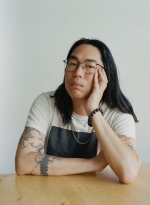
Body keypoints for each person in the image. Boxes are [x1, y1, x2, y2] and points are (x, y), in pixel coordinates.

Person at [15, 38, 141, 183]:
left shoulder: (118, 114)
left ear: (104, 75)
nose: (78, 73)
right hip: (52, 193)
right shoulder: (46, 103)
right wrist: (94, 164)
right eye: (73, 64)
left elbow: (129, 173)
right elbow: (23, 163)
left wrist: (93, 110)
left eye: (89, 66)